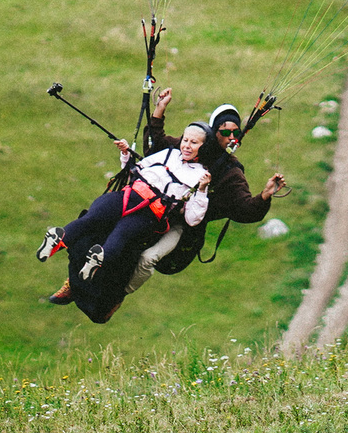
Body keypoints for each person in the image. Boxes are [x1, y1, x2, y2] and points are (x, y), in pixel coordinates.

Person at [37, 119, 213, 323]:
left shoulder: (200, 176)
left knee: (121, 234)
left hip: (149, 213)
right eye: (185, 140)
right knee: (92, 217)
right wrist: (125, 154)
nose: (187, 146)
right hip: (128, 195)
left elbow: (193, 219)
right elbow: (134, 169)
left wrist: (201, 191)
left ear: (203, 147)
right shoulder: (169, 154)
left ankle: (96, 261)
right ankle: (56, 241)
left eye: (194, 143)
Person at [128, 90, 286, 279]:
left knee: (146, 258)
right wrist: (159, 110)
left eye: (236, 133)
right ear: (213, 131)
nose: (231, 137)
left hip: (182, 235)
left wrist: (265, 195)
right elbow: (155, 147)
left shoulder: (230, 173)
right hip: (156, 212)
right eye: (225, 132)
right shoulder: (192, 146)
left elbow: (245, 210)